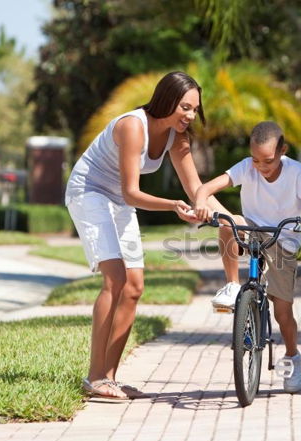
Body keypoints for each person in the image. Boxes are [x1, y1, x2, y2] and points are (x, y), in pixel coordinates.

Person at [65, 71, 227, 400]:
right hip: (90, 192)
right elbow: (131, 192)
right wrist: (173, 206)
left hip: (118, 200)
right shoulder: (132, 126)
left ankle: (108, 378)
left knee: (135, 286)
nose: (190, 115)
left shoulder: (177, 137)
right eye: (185, 107)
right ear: (167, 100)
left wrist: (228, 216)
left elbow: (196, 188)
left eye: (195, 109)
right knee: (115, 279)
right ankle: (94, 376)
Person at [194, 121, 301, 393]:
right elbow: (205, 189)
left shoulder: (295, 172)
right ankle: (232, 286)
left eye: (267, 160)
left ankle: (292, 357)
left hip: (282, 238)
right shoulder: (246, 166)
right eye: (256, 160)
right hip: (251, 229)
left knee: (282, 311)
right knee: (228, 223)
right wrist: (200, 203)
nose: (261, 167)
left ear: (282, 151)